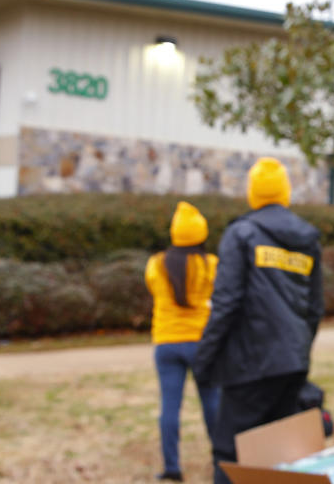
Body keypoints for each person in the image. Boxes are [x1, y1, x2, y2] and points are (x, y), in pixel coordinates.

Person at [193, 156, 324, 484]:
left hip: (248, 366)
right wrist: (298, 350)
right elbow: (314, 308)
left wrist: (204, 359)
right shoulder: (308, 240)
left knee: (229, 454)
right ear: (284, 192)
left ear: (253, 192)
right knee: (275, 457)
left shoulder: (241, 234)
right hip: (291, 364)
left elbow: (226, 303)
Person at [144, 201, 220, 482]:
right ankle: (220, 462)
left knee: (169, 408)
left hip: (166, 342)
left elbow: (152, 287)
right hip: (202, 343)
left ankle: (172, 467)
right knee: (212, 404)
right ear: (201, 233)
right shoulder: (210, 264)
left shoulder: (156, 264)